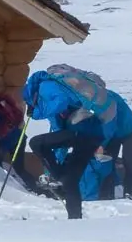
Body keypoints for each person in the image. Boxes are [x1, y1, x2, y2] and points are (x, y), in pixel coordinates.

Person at [22, 70, 106, 219]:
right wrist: (55, 171)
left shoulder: (45, 86)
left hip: (82, 130)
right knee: (69, 180)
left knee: (36, 143)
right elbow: (59, 134)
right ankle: (74, 219)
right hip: (91, 136)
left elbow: (61, 101)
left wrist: (37, 112)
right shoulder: (48, 99)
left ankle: (58, 178)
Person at [99, 91, 132, 199]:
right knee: (108, 161)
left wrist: (101, 145)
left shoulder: (108, 100)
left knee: (130, 160)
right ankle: (108, 192)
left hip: (129, 130)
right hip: (113, 134)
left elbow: (109, 125)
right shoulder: (91, 100)